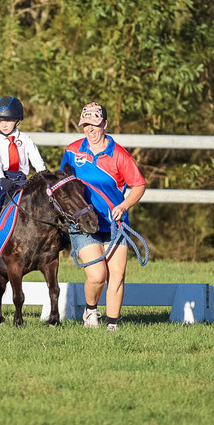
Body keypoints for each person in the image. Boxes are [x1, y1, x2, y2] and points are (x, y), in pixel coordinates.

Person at [60, 102, 146, 330]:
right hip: (84, 225)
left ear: (104, 124)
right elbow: (63, 185)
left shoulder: (119, 155)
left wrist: (125, 205)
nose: (90, 129)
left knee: (117, 275)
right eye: (85, 124)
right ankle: (90, 310)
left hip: (115, 225)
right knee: (97, 275)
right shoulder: (72, 151)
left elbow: (138, 185)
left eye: (94, 124)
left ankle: (113, 326)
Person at [0, 96, 47, 260]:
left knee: (41, 200)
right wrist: (1, 179)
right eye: (0, 120)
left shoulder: (25, 139)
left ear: (18, 120)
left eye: (9, 120)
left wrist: (43, 174)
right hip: (4, 179)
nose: (4, 124)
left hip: (22, 179)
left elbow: (36, 158)